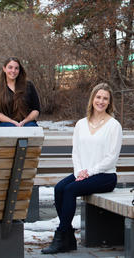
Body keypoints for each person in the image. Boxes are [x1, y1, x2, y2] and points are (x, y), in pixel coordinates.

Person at [41, 83, 122, 254]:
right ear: (92, 99)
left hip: (105, 176)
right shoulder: (81, 124)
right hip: (83, 173)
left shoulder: (114, 126)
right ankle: (69, 237)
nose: (101, 101)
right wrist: (79, 172)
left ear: (109, 102)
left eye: (105, 98)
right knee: (59, 189)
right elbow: (76, 152)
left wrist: (89, 172)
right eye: (98, 97)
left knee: (70, 190)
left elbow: (111, 158)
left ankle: (61, 236)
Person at [0, 57, 40, 127]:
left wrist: (24, 121)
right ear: (4, 69)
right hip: (5, 123)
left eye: (16, 68)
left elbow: (36, 110)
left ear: (19, 70)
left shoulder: (29, 85)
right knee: (10, 128)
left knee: (29, 130)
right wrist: (12, 122)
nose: (13, 70)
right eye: (10, 67)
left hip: (27, 123)